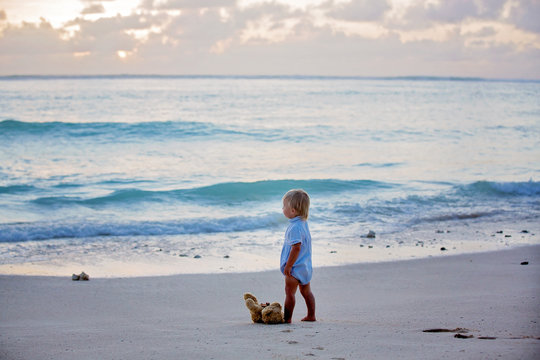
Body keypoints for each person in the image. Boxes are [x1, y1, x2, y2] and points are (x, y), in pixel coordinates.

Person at [280, 189, 316, 323]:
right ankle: (311, 315)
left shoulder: (294, 227)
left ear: (293, 211)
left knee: (290, 293)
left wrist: (289, 265)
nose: (282, 209)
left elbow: (296, 248)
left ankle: (287, 319)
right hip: (305, 266)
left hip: (295, 268)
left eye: (284, 206)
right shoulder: (303, 224)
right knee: (307, 292)